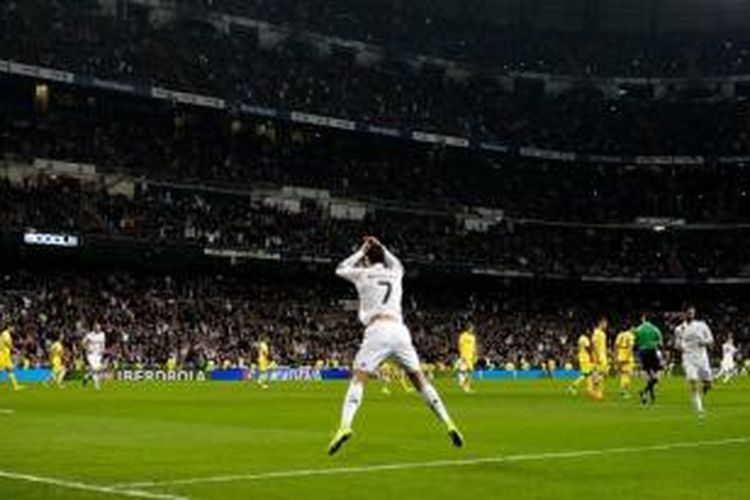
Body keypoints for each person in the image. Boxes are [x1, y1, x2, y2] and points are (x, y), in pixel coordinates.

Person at [328, 236, 463, 455]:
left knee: (359, 378)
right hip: (400, 330)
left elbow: (340, 268)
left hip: (377, 329)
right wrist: (381, 246)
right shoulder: (395, 272)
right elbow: (397, 262)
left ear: (366, 260)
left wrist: (363, 250)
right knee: (419, 380)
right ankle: (449, 423)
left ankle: (345, 426)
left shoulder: (362, 273)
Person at [674, 306, 713, 419]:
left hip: (702, 358)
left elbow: (711, 339)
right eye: (688, 313)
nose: (691, 314)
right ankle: (700, 409)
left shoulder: (702, 325)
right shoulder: (679, 329)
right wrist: (681, 347)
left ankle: (705, 388)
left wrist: (704, 342)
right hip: (688, 359)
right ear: (684, 314)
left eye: (692, 313)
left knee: (708, 384)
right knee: (693, 383)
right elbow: (676, 344)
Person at [635, 313, 663, 405]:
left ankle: (649, 395)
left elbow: (635, 342)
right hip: (652, 351)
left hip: (642, 352)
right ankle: (644, 391)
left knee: (647, 374)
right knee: (657, 374)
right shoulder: (655, 329)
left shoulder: (638, 329)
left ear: (644, 319)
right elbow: (660, 343)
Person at [567, 332, 598, 399]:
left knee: (588, 374)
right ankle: (573, 386)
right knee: (587, 374)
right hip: (585, 358)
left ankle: (590, 389)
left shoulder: (580, 338)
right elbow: (588, 348)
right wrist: (591, 355)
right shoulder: (585, 339)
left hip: (581, 357)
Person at [82, 323, 106, 391]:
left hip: (98, 354)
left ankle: (86, 377)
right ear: (94, 328)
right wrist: (87, 349)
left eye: (99, 328)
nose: (98, 329)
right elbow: (83, 343)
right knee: (95, 368)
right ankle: (97, 385)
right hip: (91, 354)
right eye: (97, 328)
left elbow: (103, 344)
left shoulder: (102, 334)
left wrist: (103, 351)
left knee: (96, 369)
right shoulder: (89, 335)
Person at [0, 324, 23, 391]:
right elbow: (8, 343)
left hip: (5, 354)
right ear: (9, 327)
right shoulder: (6, 334)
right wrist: (15, 350)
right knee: (1, 370)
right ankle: (16, 386)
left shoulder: (5, 334)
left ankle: (16, 386)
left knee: (10, 370)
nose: (13, 329)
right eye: (12, 327)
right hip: (2, 354)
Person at [614, 328, 636, 398]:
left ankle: (622, 390)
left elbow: (616, 346)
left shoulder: (619, 335)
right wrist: (628, 356)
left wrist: (616, 356)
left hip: (620, 354)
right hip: (627, 354)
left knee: (623, 374)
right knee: (628, 374)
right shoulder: (630, 336)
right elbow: (631, 347)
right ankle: (625, 392)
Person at [591, 318, 608, 399]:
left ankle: (595, 391)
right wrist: (598, 355)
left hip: (601, 355)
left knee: (599, 374)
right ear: (601, 323)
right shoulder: (597, 332)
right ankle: (598, 392)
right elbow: (594, 343)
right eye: (605, 324)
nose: (606, 325)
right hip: (600, 356)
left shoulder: (602, 333)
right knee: (600, 374)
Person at [457, 324, 478, 393]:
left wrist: (475, 355)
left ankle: (463, 384)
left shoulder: (473, 337)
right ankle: (465, 385)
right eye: (471, 328)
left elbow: (474, 347)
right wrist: (462, 355)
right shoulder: (463, 336)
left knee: (467, 371)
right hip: (464, 356)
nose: (472, 330)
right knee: (467, 371)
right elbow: (460, 345)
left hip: (470, 357)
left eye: (473, 329)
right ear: (468, 328)